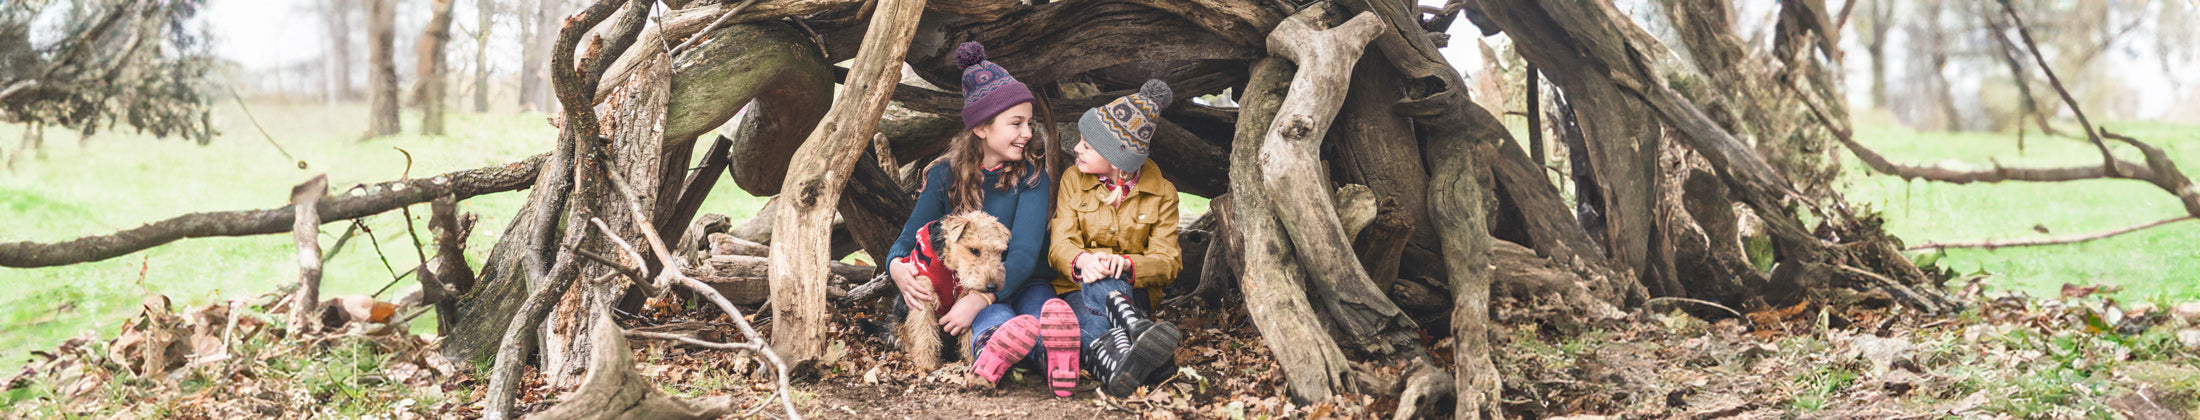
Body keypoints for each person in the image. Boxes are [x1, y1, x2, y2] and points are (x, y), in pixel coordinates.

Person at [882, 42, 1083, 396]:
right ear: (981, 128)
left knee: (1039, 317)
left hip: (1026, 282)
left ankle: (1057, 357)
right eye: (1016, 123)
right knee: (995, 326)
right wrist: (896, 266)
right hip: (973, 289)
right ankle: (999, 353)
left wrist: (982, 298)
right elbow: (909, 236)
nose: (1027, 133)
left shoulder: (1034, 178)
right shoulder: (945, 174)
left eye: (1029, 123)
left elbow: (1021, 254)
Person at [1047, 80, 1184, 397]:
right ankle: (1136, 335)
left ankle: (1118, 358)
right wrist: (1083, 261)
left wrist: (1124, 264)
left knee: (1095, 308)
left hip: (1134, 295)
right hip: (1077, 290)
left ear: (1116, 159)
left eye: (1087, 145)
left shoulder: (1163, 193)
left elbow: (1168, 262)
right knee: (1084, 305)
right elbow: (1059, 245)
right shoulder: (1073, 180)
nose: (1077, 149)